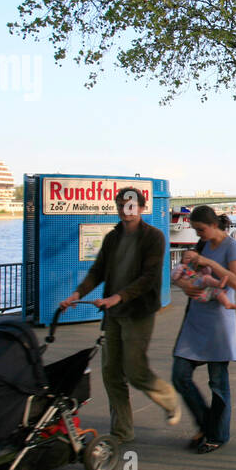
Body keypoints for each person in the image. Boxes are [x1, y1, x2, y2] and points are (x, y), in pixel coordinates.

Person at [59, 187, 181, 443]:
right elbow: (97, 271)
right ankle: (122, 432)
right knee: (111, 372)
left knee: (135, 371)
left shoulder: (154, 237)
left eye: (131, 205)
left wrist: (118, 297)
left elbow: (149, 277)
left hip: (138, 312)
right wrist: (77, 294)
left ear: (141, 208)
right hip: (113, 314)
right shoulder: (112, 238)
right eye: (121, 205)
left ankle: (168, 398)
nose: (125, 210)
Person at [171, 206, 236, 455]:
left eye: (200, 229)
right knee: (179, 375)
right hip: (195, 320)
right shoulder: (201, 245)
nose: (197, 234)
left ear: (213, 225)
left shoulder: (232, 246)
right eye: (195, 229)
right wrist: (183, 284)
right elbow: (187, 273)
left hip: (218, 323)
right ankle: (206, 424)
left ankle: (217, 434)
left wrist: (209, 262)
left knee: (218, 383)